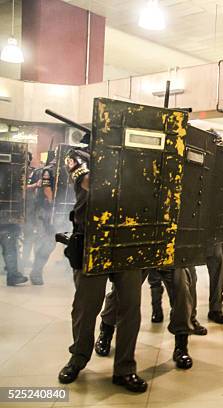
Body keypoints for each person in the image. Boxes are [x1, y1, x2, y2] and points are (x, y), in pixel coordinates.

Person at [58, 148, 148, 393]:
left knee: (130, 308)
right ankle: (78, 358)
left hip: (128, 239)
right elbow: (88, 181)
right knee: (86, 307)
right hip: (92, 240)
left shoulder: (135, 154)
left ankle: (125, 369)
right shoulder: (77, 155)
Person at [94, 267, 202, 370]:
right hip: (139, 251)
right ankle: (106, 330)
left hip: (170, 251)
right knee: (121, 290)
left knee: (182, 286)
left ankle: (181, 344)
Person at [30, 151, 57, 285]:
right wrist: (53, 205)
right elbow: (47, 189)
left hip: (49, 210)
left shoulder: (55, 169)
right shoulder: (48, 170)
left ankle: (36, 271)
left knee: (49, 242)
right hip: (45, 211)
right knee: (47, 242)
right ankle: (36, 272)